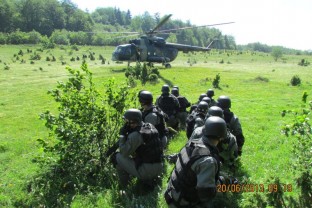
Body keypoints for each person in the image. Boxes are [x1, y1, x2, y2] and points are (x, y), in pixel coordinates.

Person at [164, 116, 227, 207]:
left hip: (171, 193)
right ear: (221, 137)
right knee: (220, 187)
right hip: (182, 203)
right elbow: (205, 195)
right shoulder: (208, 161)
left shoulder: (192, 143)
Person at [113, 109, 164, 188]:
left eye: (127, 121)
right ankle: (150, 178)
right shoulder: (150, 126)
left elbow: (124, 152)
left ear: (132, 121)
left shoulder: (135, 135)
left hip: (147, 171)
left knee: (117, 157)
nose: (125, 123)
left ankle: (123, 187)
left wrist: (122, 135)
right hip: (159, 167)